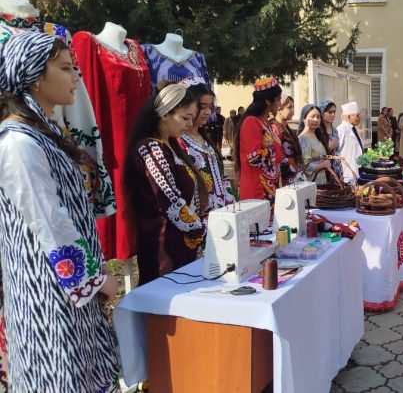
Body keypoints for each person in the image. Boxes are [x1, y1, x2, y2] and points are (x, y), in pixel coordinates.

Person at [0, 31, 120, 392]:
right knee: (57, 376)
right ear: (35, 76)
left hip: (68, 291)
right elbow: (50, 222)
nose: (76, 77)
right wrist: (96, 281)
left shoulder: (44, 132)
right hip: (46, 296)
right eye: (66, 68)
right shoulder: (18, 143)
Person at [122, 81, 208, 285]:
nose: (189, 123)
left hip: (180, 245)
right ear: (165, 114)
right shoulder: (152, 149)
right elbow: (172, 203)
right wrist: (204, 229)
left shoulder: (169, 147)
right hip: (164, 250)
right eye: (185, 118)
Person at [180, 80, 236, 211]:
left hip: (222, 212)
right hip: (199, 215)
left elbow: (222, 176)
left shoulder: (204, 139)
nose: (208, 112)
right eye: (203, 107)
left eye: (210, 107)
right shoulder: (180, 142)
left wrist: (230, 203)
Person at [234, 77, 283, 204]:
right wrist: (277, 146)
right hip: (257, 190)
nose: (280, 103)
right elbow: (255, 158)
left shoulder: (264, 123)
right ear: (268, 101)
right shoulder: (251, 122)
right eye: (278, 99)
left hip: (267, 189)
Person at [270, 95, 303, 186]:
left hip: (295, 175)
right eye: (289, 107)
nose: (293, 111)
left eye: (293, 107)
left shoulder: (289, 130)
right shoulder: (274, 130)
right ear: (279, 109)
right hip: (284, 177)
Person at [298, 103, 332, 184]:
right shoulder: (303, 139)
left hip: (322, 183)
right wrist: (323, 165)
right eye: (312, 116)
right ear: (304, 119)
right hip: (311, 185)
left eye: (318, 117)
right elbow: (305, 166)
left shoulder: (318, 136)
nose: (316, 119)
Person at [337, 101, 364, 184]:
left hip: (357, 172)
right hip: (347, 175)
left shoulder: (353, 129)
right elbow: (336, 153)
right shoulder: (341, 130)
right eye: (357, 115)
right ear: (349, 116)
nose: (359, 118)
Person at [320, 99, 343, 179]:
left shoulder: (334, 130)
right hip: (325, 171)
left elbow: (338, 152)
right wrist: (329, 148)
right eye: (330, 112)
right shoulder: (318, 131)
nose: (333, 115)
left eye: (334, 112)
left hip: (337, 169)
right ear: (322, 113)